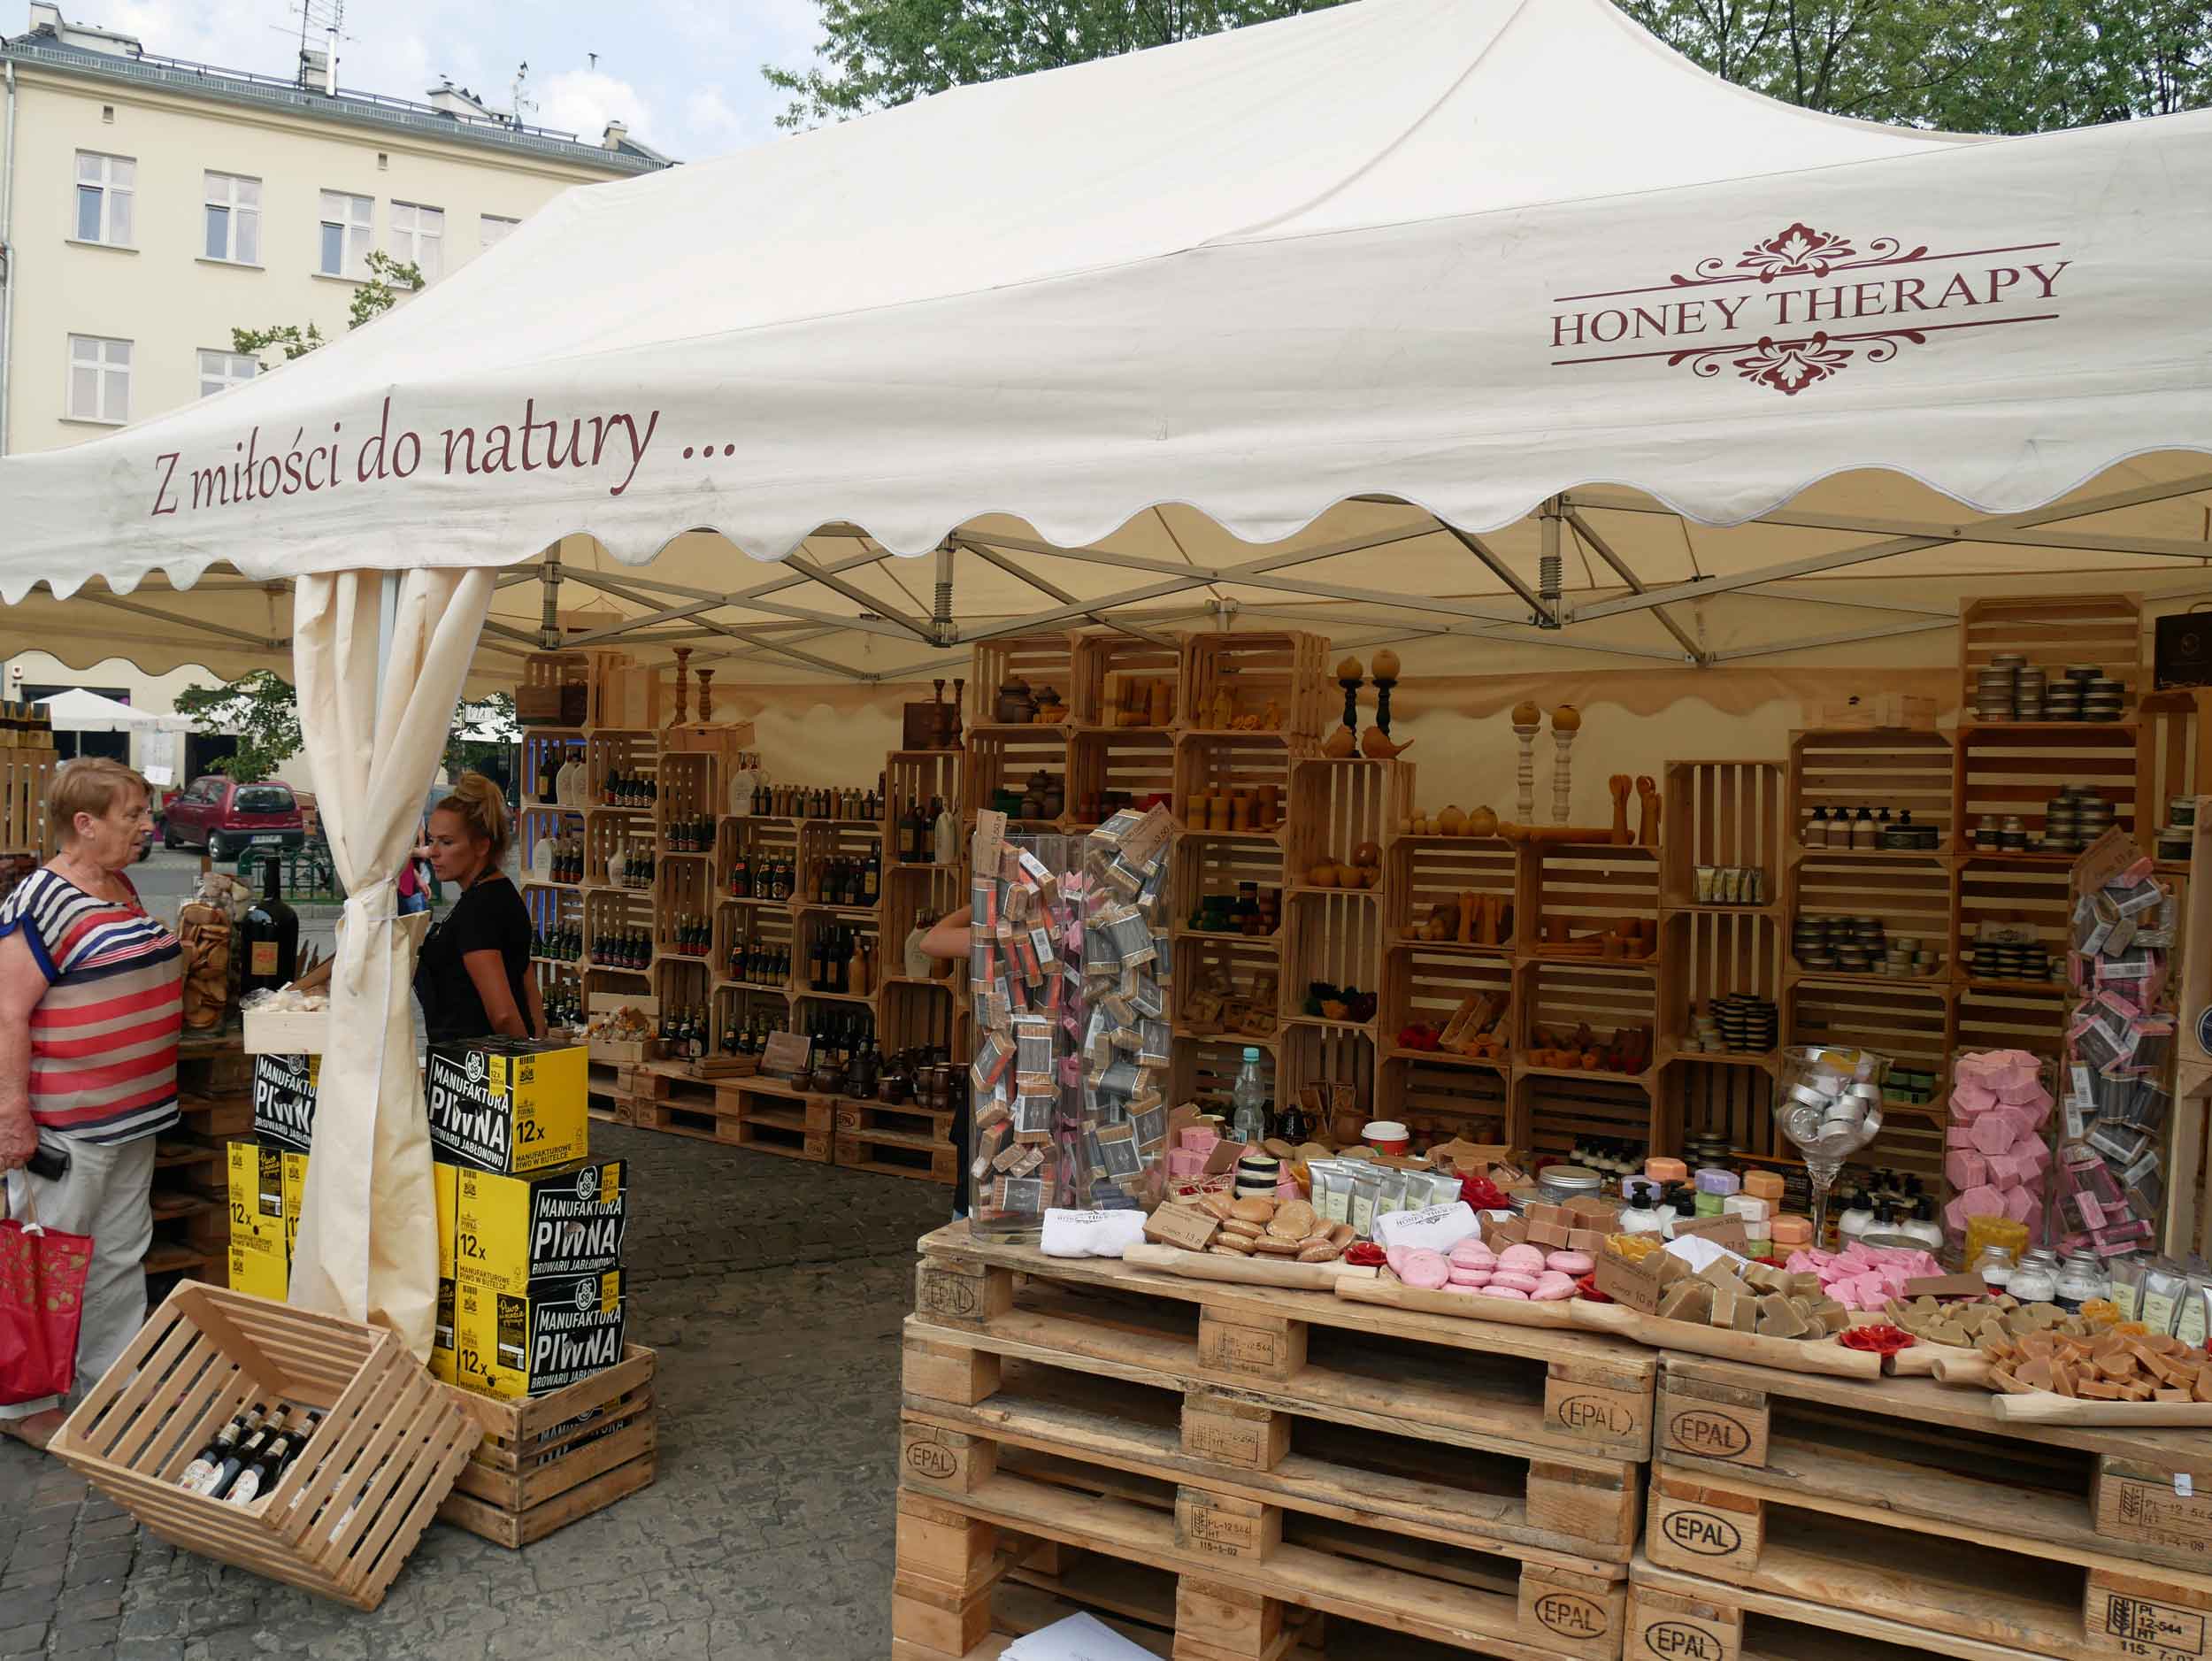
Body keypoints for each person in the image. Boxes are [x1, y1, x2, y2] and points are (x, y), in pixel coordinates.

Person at [0, 759, 181, 1450]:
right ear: (85, 822)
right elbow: (7, 1012)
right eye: (132, 814)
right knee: (48, 1262)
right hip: (66, 1126)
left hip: (132, 1117)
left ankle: (110, 1381)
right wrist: (11, 1112)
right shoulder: (38, 901)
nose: (145, 826)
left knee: (117, 1254)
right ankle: (27, 1406)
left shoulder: (120, 885)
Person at [412, 773, 544, 1046]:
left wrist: (525, 1064)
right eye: (433, 840)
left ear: (482, 845)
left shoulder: (478, 910)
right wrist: (537, 1045)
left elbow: (504, 1014)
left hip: (477, 1073)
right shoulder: (501, 893)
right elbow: (528, 984)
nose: (433, 852)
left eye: (446, 842)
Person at [918, 906, 972, 1219]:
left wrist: (976, 904)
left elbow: (931, 940)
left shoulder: (998, 934)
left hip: (996, 1076)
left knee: (971, 1193)